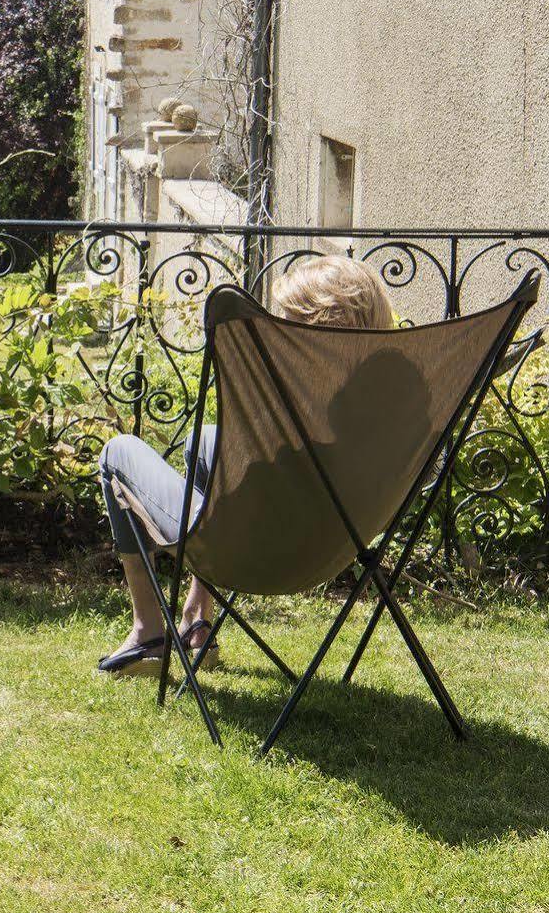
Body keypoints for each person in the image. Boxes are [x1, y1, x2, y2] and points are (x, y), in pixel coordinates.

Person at [96, 255, 396, 677]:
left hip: (250, 556)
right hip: (329, 553)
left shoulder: (292, 397)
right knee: (204, 441)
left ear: (311, 327)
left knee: (118, 453)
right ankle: (197, 619)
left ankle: (148, 631)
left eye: (287, 322)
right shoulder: (392, 403)